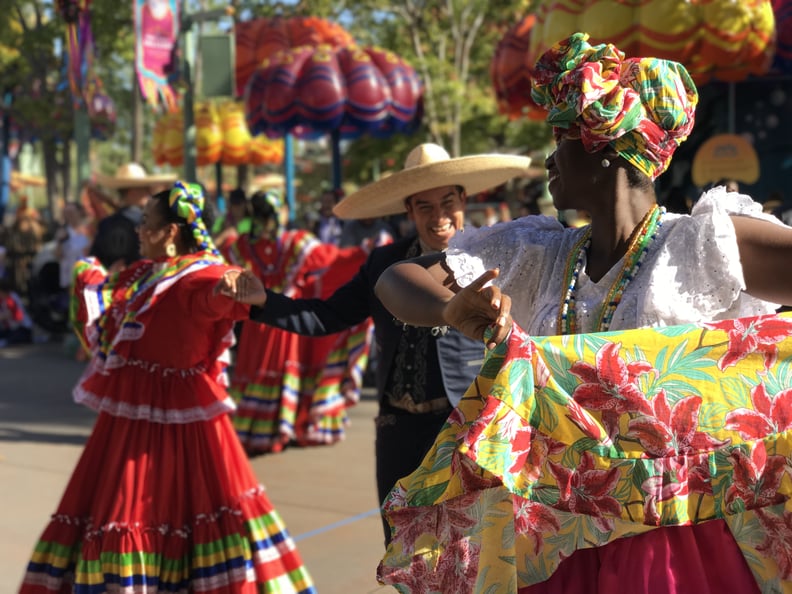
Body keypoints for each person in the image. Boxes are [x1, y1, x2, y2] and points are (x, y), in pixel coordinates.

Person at [370, 33, 792, 593]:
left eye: (560, 138)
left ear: (605, 149)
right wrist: (451, 308)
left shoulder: (700, 246)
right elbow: (396, 279)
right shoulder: (541, 252)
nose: (549, 158)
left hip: (671, 544)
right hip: (556, 539)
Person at [216, 142, 532, 545]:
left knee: (468, 548)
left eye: (447, 203)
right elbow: (326, 316)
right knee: (401, 547)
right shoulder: (384, 263)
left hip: (464, 422)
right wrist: (265, 302)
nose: (439, 217)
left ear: (464, 201)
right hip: (397, 427)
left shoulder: (494, 258)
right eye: (425, 206)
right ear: (409, 211)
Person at [19, 182, 316, 594]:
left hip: (182, 418)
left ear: (172, 232)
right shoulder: (146, 272)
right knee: (124, 509)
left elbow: (217, 292)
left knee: (148, 508)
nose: (139, 231)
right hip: (130, 415)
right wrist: (90, 277)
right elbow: (108, 302)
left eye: (146, 223)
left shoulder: (199, 276)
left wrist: (229, 289)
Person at [223, 189, 375, 455]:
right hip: (287, 319)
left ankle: (257, 430)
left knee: (256, 373)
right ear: (280, 211)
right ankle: (286, 427)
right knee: (287, 372)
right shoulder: (296, 243)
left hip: (256, 321)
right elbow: (334, 259)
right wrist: (366, 252)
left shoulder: (240, 246)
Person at [90, 162, 176, 271]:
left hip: (110, 284)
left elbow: (95, 261)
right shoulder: (148, 222)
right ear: (133, 192)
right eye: (145, 189)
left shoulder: (105, 224)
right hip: (143, 281)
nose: (149, 193)